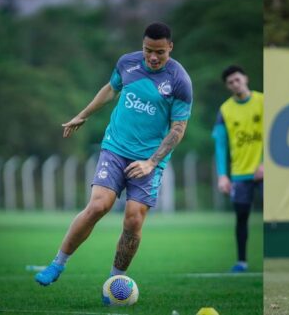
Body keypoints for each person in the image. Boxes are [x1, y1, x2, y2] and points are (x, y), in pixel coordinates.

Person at [35, 22, 193, 286]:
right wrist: (82, 115)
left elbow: (178, 129)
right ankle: (57, 263)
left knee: (133, 219)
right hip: (116, 148)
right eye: (148, 50)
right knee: (98, 205)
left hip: (148, 160)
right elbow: (110, 89)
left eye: (160, 52)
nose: (153, 57)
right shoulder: (127, 63)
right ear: (142, 46)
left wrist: (151, 163)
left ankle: (115, 282)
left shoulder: (180, 81)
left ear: (170, 48)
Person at [212, 65, 263, 272]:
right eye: (230, 82)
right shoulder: (225, 110)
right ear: (228, 86)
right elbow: (220, 144)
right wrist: (223, 175)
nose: (235, 84)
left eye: (237, 79)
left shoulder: (263, 101)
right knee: (241, 217)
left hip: (264, 172)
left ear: (246, 78)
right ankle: (241, 261)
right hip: (240, 174)